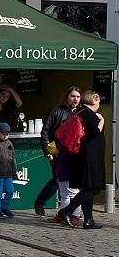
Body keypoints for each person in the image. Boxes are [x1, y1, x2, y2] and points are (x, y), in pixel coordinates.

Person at [58, 91, 105, 230]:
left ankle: (88, 220)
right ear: (93, 100)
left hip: (85, 156)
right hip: (89, 157)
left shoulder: (81, 112)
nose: (99, 104)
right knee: (94, 187)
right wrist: (101, 121)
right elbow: (94, 133)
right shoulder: (88, 114)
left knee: (87, 188)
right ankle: (67, 210)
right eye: (98, 101)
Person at [35, 87, 82, 221]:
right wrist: (48, 150)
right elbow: (46, 132)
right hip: (58, 152)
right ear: (67, 97)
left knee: (71, 183)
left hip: (75, 154)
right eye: (73, 96)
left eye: (78, 97)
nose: (75, 99)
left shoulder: (81, 113)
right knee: (59, 180)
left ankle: (70, 213)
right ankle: (42, 203)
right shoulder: (56, 111)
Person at [0, 123, 16, 219]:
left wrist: (14, 171)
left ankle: (5, 207)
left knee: (10, 191)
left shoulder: (9, 143)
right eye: (3, 134)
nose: (5, 136)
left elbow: (13, 158)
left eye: (7, 134)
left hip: (8, 173)